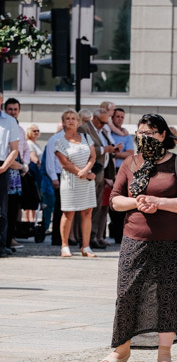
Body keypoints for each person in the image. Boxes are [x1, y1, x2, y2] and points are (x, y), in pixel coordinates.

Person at [101, 113, 177, 362]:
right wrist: (138, 202)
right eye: (142, 133)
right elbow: (115, 200)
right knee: (127, 293)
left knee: (168, 295)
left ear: (163, 135)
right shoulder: (131, 163)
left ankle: (164, 354)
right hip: (135, 238)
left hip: (172, 240)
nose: (146, 137)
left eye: (152, 133)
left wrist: (159, 202)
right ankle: (121, 349)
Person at [54, 109, 97, 258]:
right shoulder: (59, 141)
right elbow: (65, 163)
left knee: (87, 212)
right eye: (68, 118)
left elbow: (93, 156)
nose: (71, 120)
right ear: (64, 122)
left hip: (86, 180)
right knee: (68, 212)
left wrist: (86, 171)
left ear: (78, 122)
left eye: (74, 118)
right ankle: (64, 246)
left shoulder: (86, 137)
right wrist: (81, 172)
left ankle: (86, 246)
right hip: (70, 180)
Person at [78, 108, 118, 249]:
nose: (103, 124)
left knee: (98, 208)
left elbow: (105, 147)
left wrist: (113, 149)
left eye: (106, 122)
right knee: (89, 207)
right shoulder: (84, 128)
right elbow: (83, 148)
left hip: (101, 173)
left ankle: (93, 236)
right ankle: (85, 238)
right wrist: (103, 149)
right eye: (101, 122)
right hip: (90, 173)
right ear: (94, 118)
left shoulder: (103, 131)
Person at [4, 98, 30, 250]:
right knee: (4, 209)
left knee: (14, 209)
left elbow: (25, 149)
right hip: (7, 170)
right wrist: (20, 165)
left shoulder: (20, 129)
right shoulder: (4, 126)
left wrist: (24, 164)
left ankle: (8, 240)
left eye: (15, 109)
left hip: (17, 176)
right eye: (10, 109)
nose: (13, 112)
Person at [108, 108, 134, 244]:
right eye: (117, 116)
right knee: (110, 203)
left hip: (122, 169)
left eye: (122, 117)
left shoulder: (126, 135)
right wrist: (115, 152)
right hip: (110, 169)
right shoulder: (108, 133)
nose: (119, 119)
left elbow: (130, 153)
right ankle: (113, 230)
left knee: (122, 201)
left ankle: (120, 234)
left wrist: (113, 152)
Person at [0, 91, 20, 258]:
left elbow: (14, 149)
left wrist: (4, 167)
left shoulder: (9, 121)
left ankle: (1, 245)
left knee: (1, 209)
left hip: (2, 166)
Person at [46, 122, 64, 246]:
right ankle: (57, 238)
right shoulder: (55, 138)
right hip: (59, 175)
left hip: (74, 175)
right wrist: (53, 177)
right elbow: (50, 160)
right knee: (59, 208)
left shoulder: (79, 137)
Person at [25, 124, 43, 222]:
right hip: (32, 171)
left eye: (37, 130)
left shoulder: (36, 144)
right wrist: (38, 163)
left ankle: (33, 219)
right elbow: (33, 157)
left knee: (36, 196)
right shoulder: (29, 143)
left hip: (38, 172)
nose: (36, 132)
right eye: (34, 131)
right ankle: (29, 220)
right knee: (31, 195)